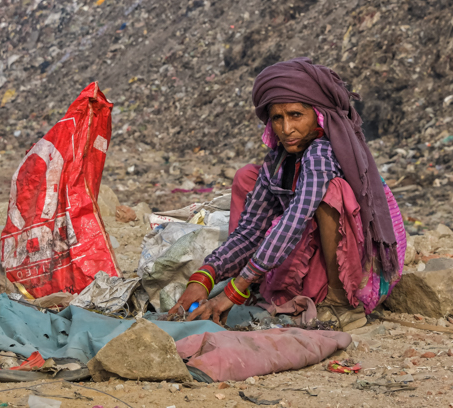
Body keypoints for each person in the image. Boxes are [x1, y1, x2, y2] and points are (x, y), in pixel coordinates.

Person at [170, 58, 406, 331]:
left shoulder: (323, 152)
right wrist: (204, 276)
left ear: (318, 116)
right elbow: (249, 231)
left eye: (296, 115)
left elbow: (295, 220)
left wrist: (234, 290)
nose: (286, 129)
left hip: (363, 270)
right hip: (315, 256)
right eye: (278, 118)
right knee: (248, 175)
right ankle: (260, 284)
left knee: (333, 191)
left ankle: (342, 305)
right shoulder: (278, 159)